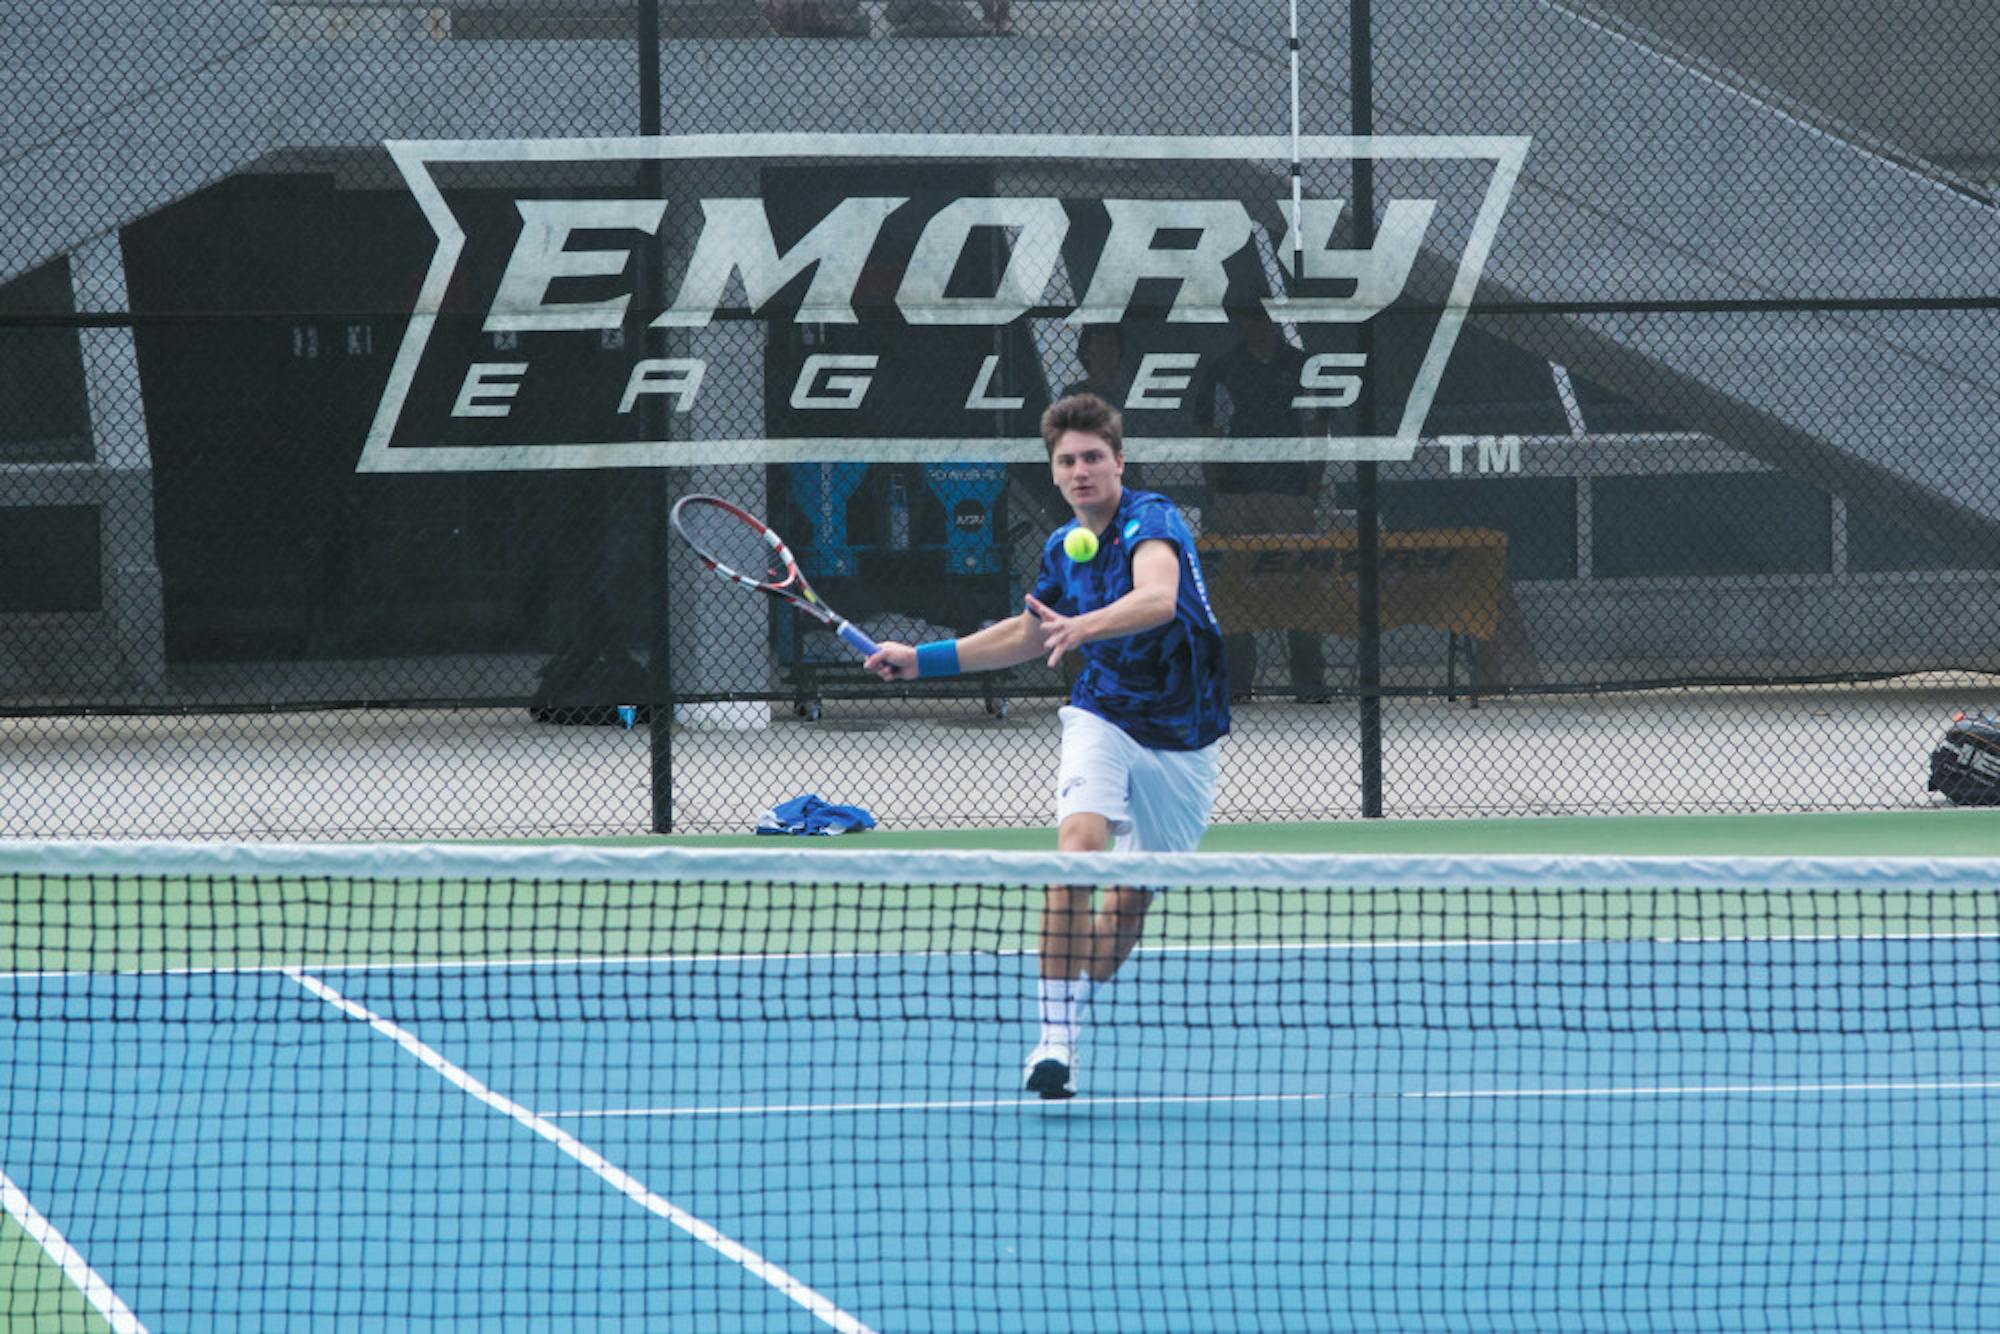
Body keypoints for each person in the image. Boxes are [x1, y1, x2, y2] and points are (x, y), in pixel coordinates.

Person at [864, 393, 1231, 1099]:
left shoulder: (1152, 521)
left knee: (1125, 911)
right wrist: (921, 659)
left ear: (1119, 462)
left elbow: (1157, 598)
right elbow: (1030, 631)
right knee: (1075, 856)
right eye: (1067, 460)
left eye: (1094, 456)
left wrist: (1084, 628)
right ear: (1054, 473)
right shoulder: (1063, 549)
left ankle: (1074, 978)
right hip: (1103, 717)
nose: (1081, 469)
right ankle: (1053, 1043)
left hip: (1185, 738)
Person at [1191, 304, 1331, 702]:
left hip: (1289, 490)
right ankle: (1237, 682)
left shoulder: (1301, 366)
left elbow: (1318, 426)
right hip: (1237, 492)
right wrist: (1216, 489)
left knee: (1299, 581)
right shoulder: (1223, 368)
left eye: (1259, 315)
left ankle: (1309, 680)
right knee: (1236, 585)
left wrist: (1311, 486)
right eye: (1246, 316)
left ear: (1273, 319)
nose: (1252, 324)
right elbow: (1210, 430)